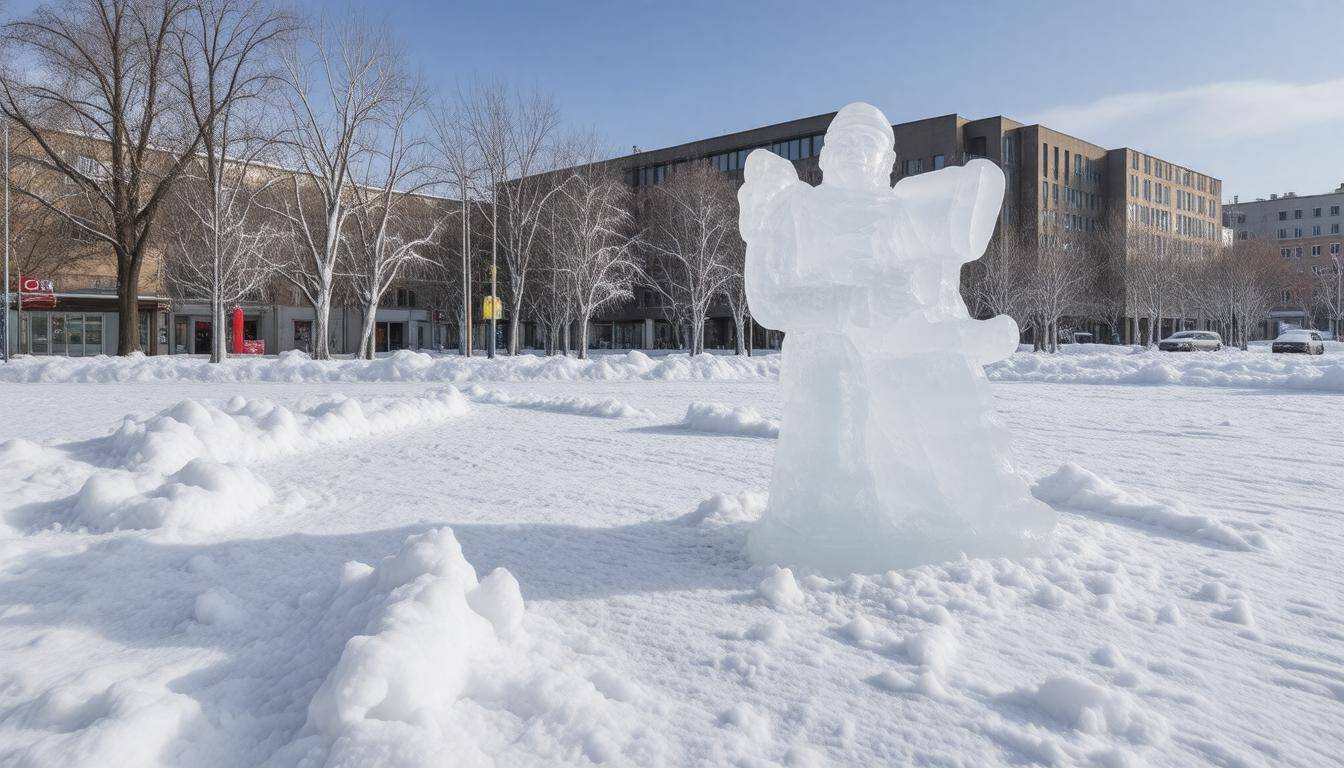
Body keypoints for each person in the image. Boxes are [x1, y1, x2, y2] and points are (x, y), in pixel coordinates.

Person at [738, 102, 1054, 574]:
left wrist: (951, 328)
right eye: (844, 141)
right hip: (829, 350)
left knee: (945, 384)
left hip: (901, 343)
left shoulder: (901, 215)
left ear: (887, 162)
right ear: (823, 158)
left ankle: (979, 508)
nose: (855, 152)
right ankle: (828, 529)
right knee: (842, 403)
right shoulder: (797, 208)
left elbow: (928, 291)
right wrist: (854, 305)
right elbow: (768, 299)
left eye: (869, 143)